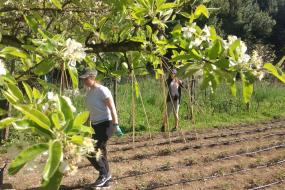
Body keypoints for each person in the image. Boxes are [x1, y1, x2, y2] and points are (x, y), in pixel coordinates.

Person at [80, 69, 122, 187]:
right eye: (83, 79)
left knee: (91, 151)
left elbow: (112, 108)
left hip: (106, 124)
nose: (84, 81)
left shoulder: (102, 90)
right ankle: (107, 180)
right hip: (95, 125)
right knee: (101, 152)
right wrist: (85, 126)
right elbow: (91, 111)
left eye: (86, 79)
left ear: (93, 77)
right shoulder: (89, 92)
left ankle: (103, 174)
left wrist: (116, 124)